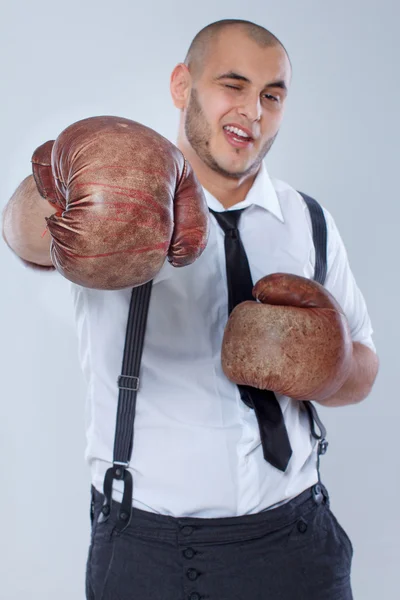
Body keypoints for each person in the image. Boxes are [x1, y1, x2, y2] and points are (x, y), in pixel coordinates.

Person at [2, 18, 379, 600]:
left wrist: (335, 368)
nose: (253, 111)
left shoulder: (309, 221)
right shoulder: (123, 193)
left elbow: (365, 369)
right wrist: (86, 193)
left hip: (297, 539)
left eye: (271, 95)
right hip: (147, 552)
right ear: (183, 86)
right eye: (233, 85)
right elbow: (23, 232)